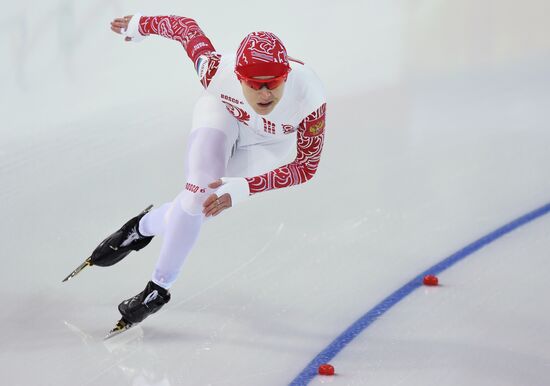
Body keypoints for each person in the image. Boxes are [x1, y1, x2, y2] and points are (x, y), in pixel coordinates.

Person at [91, 13, 326, 333]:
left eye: (274, 83)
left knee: (200, 205)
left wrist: (245, 187)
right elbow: (185, 28)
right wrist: (139, 25)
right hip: (222, 115)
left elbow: (307, 166)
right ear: (238, 77)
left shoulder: (310, 97)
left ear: (286, 75)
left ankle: (140, 229)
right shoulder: (216, 70)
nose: (265, 94)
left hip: (268, 144)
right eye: (255, 85)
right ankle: (157, 290)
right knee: (198, 191)